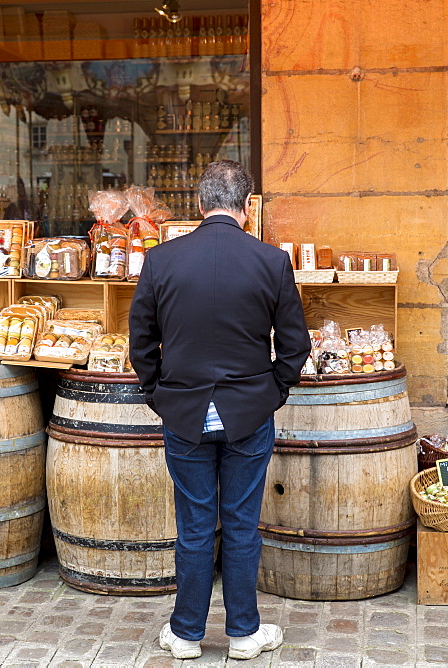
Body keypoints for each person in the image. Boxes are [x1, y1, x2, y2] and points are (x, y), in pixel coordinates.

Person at [128, 160, 310, 660]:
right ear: (247, 207)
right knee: (242, 524)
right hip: (248, 412)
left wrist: (156, 393)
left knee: (193, 526)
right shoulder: (271, 261)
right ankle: (244, 634)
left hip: (184, 411)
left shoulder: (161, 260)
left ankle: (186, 634)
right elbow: (295, 346)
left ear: (200, 203)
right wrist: (272, 391)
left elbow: (140, 344)